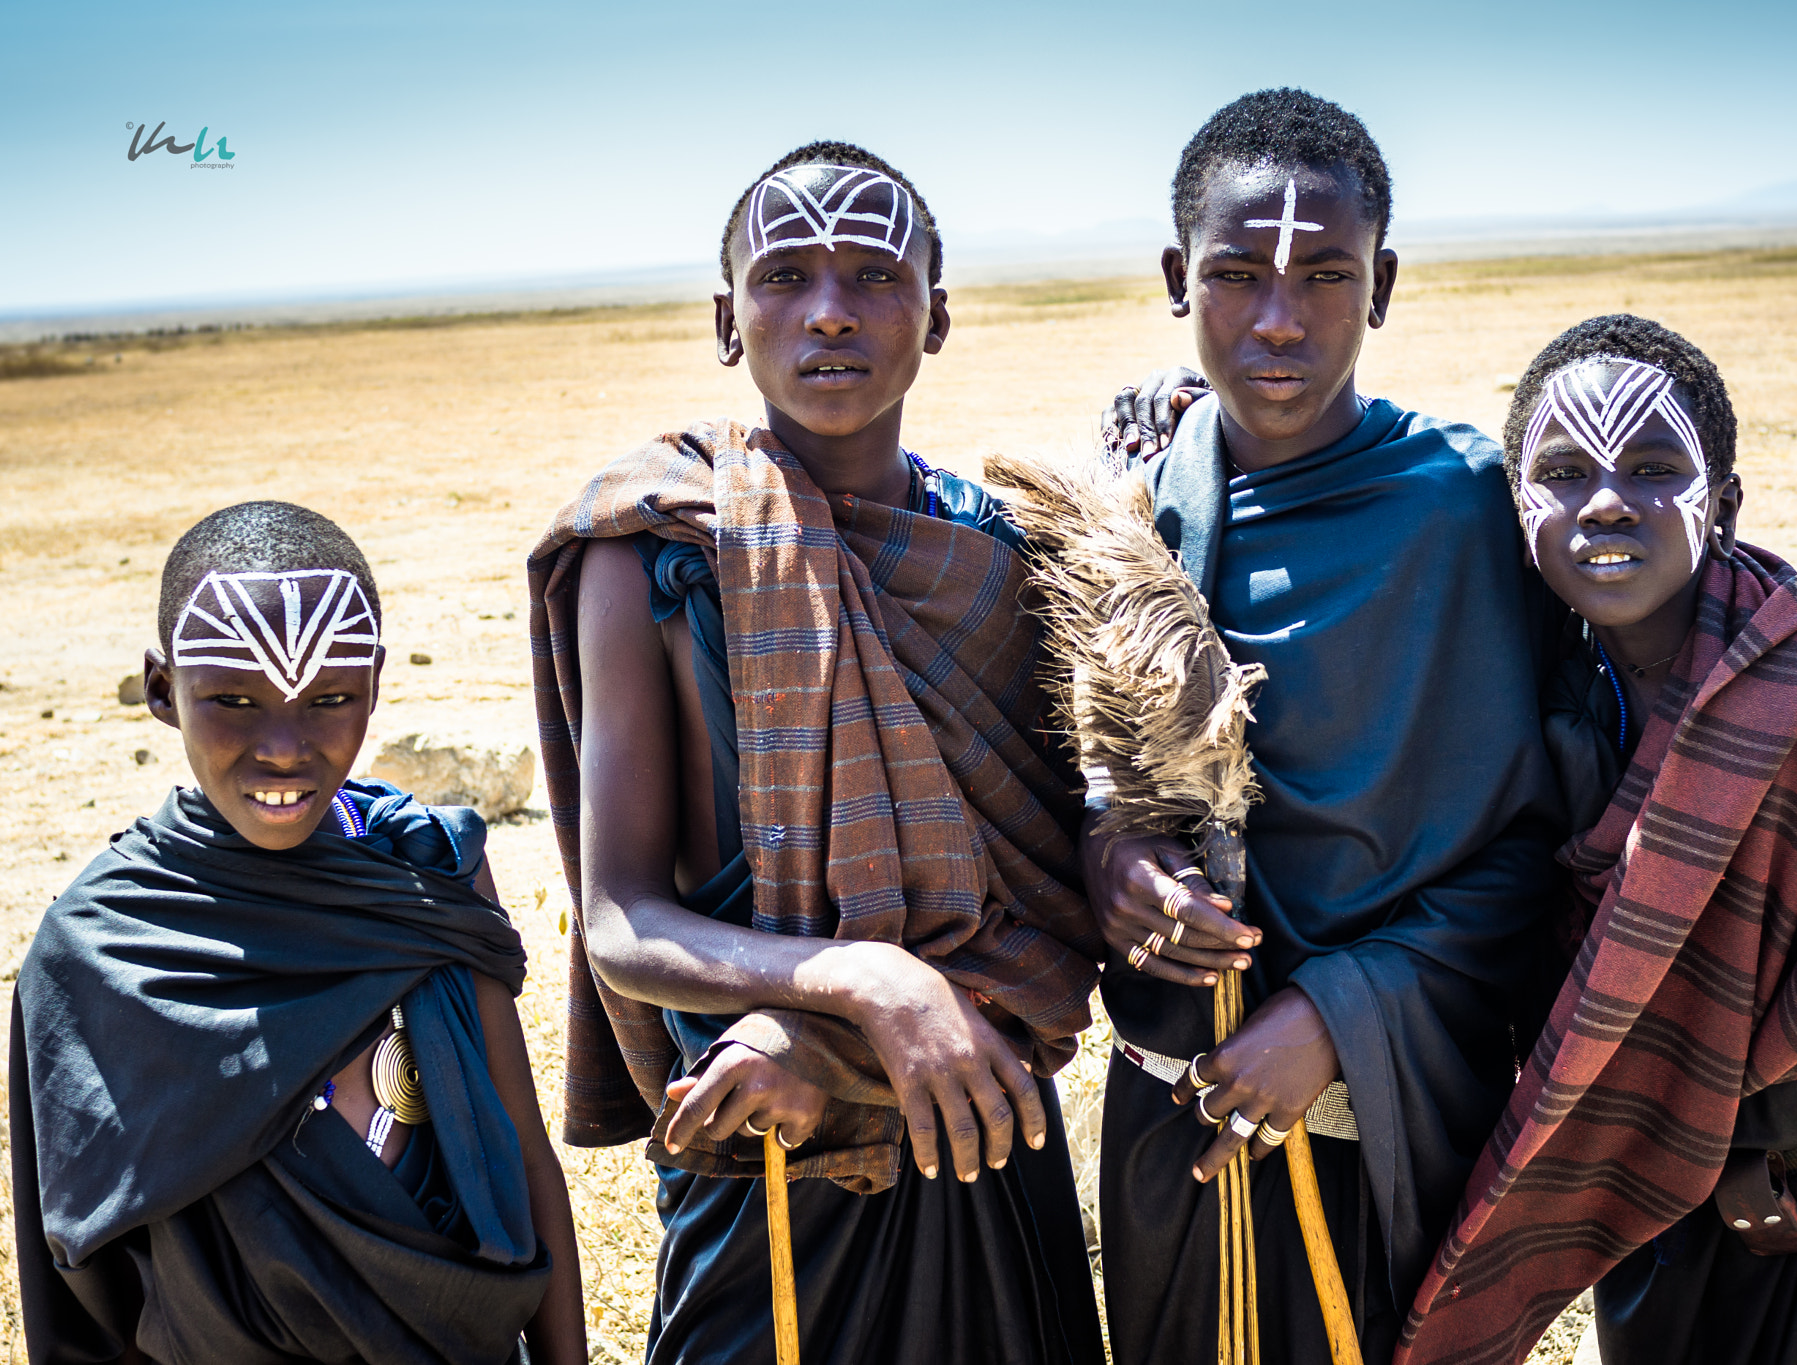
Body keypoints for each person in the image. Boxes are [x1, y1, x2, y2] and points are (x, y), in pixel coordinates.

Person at [527, 141, 1106, 1365]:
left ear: (936, 317)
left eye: (874, 275)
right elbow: (621, 920)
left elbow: (1055, 905)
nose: (830, 310)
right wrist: (859, 984)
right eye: (784, 274)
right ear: (727, 319)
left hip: (982, 1133)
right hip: (766, 1155)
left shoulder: (1000, 559)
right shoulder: (652, 550)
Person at [1397, 314, 1797, 1365]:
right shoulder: (1542, 700)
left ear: (1724, 502)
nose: (1605, 501)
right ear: (1514, 511)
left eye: (1655, 467)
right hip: (1656, 1186)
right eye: (1560, 471)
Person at [1078, 89, 1568, 1365]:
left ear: (1383, 283)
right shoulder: (1135, 511)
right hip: (1172, 1120)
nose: (1279, 320)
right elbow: (1085, 781)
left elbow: (1530, 850)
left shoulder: (1460, 511)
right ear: (1178, 279)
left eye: (1324, 275)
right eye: (1237, 275)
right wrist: (1115, 865)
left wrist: (1336, 1015)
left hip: (1378, 1118)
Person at [11, 500, 584, 1365]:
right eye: (234, 699)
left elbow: (528, 1160)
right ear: (163, 690)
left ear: (375, 686)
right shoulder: (96, 945)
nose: (283, 747)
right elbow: (81, 1274)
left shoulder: (427, 871)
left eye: (329, 699)